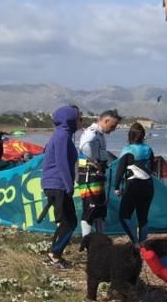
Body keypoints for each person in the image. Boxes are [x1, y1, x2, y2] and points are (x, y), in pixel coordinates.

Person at [40, 106, 80, 268]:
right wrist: (69, 185)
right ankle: (54, 254)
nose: (79, 121)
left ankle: (53, 253)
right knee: (70, 222)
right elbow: (62, 162)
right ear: (69, 119)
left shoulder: (61, 134)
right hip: (57, 184)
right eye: (78, 118)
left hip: (55, 183)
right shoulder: (63, 136)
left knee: (66, 220)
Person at [77, 109, 120, 237]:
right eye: (112, 126)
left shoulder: (99, 134)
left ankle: (101, 239)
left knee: (100, 211)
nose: (113, 130)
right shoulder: (92, 133)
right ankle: (87, 243)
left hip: (97, 176)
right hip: (89, 177)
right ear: (106, 120)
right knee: (90, 211)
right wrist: (94, 163)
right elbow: (84, 146)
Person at [114, 122, 156, 244]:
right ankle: (143, 244)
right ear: (143, 136)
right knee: (143, 218)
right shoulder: (148, 149)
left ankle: (135, 242)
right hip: (148, 187)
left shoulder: (127, 150)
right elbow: (152, 168)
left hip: (133, 187)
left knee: (124, 216)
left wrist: (116, 187)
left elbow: (120, 170)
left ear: (130, 136)